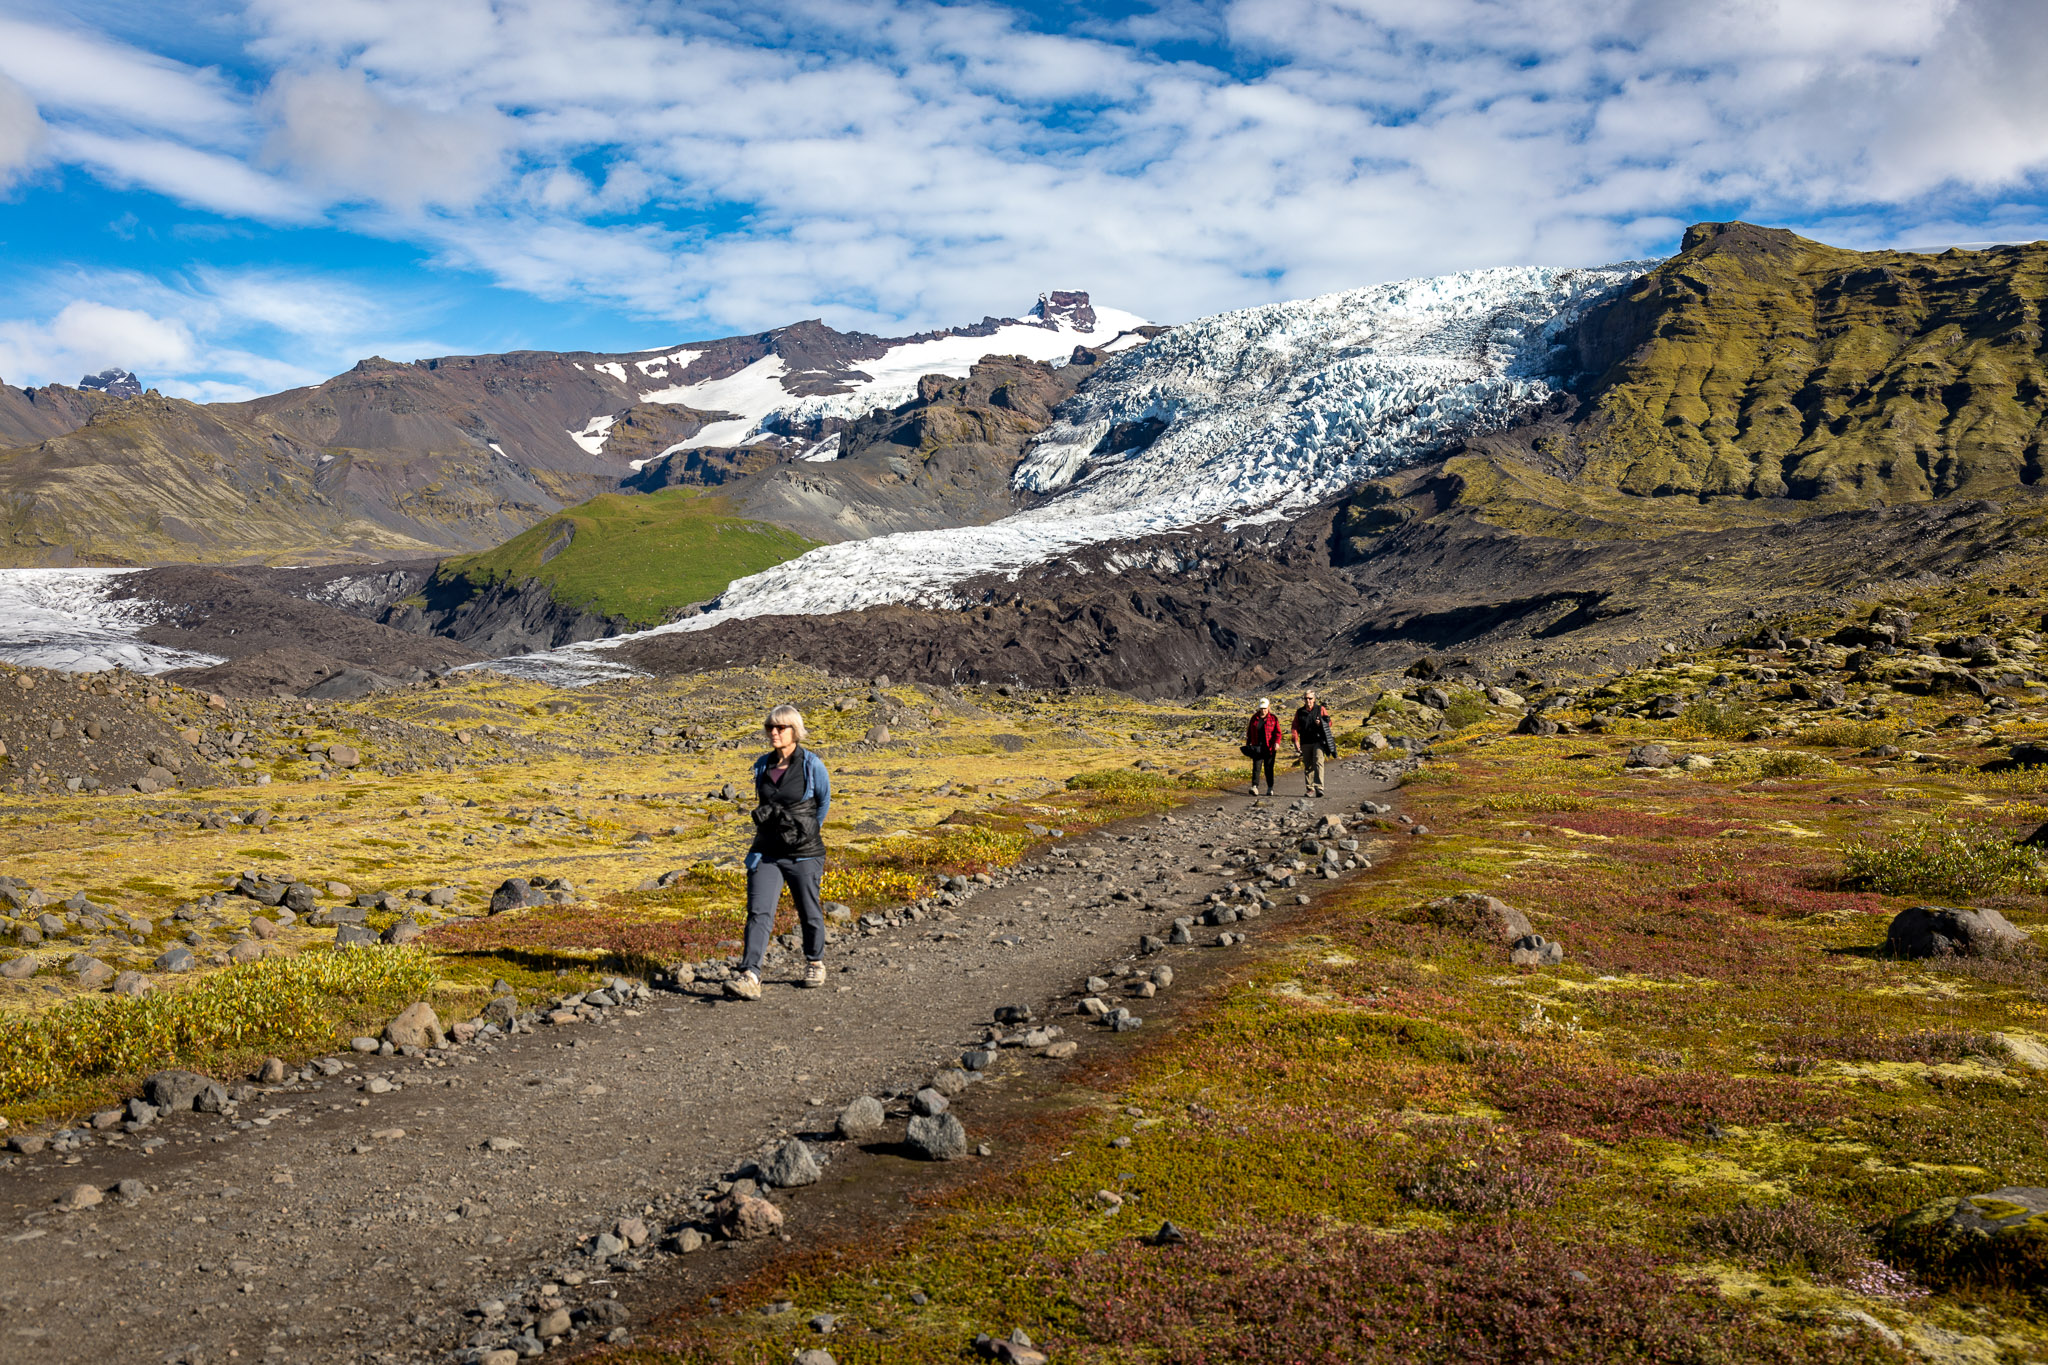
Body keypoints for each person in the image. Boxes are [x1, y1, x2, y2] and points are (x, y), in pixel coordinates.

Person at [727, 704, 832, 1000]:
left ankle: (814, 961)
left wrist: (806, 832)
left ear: (794, 731)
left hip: (804, 853)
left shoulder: (812, 765)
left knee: (809, 911)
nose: (773, 732)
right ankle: (750, 975)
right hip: (767, 852)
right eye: (770, 727)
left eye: (780, 727)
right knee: (758, 912)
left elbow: (822, 802)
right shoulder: (762, 765)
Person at [1291, 687, 1334, 798]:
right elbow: (1295, 727)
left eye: (1310, 698)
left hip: (1319, 741)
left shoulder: (1321, 709)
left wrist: (1321, 723)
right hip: (1305, 742)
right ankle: (1310, 789)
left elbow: (1329, 722)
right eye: (1305, 698)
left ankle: (1319, 787)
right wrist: (1295, 740)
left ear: (1314, 699)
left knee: (1318, 762)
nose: (1308, 701)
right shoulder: (1299, 712)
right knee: (1308, 765)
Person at [1244, 698, 1281, 795]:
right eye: (1261, 708)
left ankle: (1270, 788)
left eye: (1265, 708)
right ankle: (1254, 787)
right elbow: (1250, 733)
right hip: (1257, 748)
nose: (1263, 710)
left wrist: (1277, 743)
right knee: (1256, 767)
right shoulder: (1254, 718)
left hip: (1269, 748)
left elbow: (1278, 733)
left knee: (1269, 768)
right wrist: (1248, 745)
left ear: (1269, 707)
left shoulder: (1273, 718)